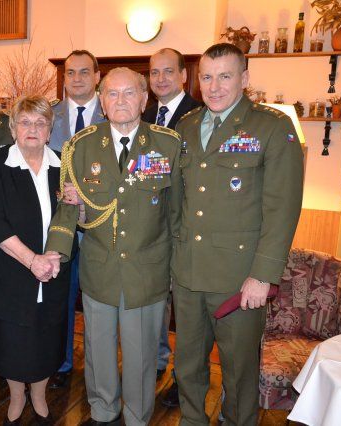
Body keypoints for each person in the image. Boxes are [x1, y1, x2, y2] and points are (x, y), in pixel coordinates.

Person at [172, 43, 304, 426]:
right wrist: (172, 264)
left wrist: (263, 275)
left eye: (225, 76)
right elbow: (178, 204)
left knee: (239, 373)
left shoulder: (272, 127)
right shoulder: (186, 126)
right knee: (187, 367)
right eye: (207, 77)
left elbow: (282, 209)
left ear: (244, 78)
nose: (214, 87)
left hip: (239, 279)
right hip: (188, 274)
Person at [46, 67, 181, 426]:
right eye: (112, 94)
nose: (120, 101)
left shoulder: (168, 145)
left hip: (147, 270)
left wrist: (178, 270)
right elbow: (68, 207)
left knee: (142, 354)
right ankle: (103, 410)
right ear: (102, 101)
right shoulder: (80, 146)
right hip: (100, 267)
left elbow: (178, 213)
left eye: (129, 92)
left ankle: (137, 417)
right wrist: (55, 253)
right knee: (98, 349)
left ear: (144, 98)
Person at [0, 95, 77, 425]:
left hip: (54, 270)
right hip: (11, 269)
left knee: (46, 337)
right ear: (13, 129)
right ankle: (16, 396)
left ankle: (38, 394)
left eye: (40, 123)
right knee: (12, 340)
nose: (32, 129)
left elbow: (72, 217)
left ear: (50, 131)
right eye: (25, 122)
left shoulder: (64, 164)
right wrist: (31, 260)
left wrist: (53, 258)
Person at [142, 47, 202, 408]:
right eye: (154, 72)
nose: (161, 79)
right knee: (155, 304)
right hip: (150, 230)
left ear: (183, 75)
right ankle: (155, 364)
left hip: (184, 228)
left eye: (168, 71)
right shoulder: (144, 114)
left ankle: (185, 380)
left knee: (187, 313)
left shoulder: (200, 114)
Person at [48, 50, 107, 390]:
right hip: (61, 226)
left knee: (100, 303)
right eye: (71, 72)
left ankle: (100, 371)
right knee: (62, 300)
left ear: (97, 76)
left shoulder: (114, 112)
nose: (77, 78)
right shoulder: (48, 115)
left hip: (101, 227)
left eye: (85, 72)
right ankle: (63, 362)